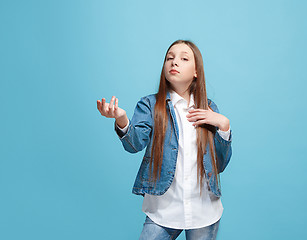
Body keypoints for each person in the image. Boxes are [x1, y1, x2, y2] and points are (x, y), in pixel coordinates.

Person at [96, 39, 232, 240]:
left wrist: (224, 125)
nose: (174, 62)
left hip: (204, 210)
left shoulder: (209, 109)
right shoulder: (150, 105)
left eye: (184, 58)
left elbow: (219, 164)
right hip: (163, 210)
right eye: (170, 58)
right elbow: (135, 144)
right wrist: (121, 119)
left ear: (196, 72)